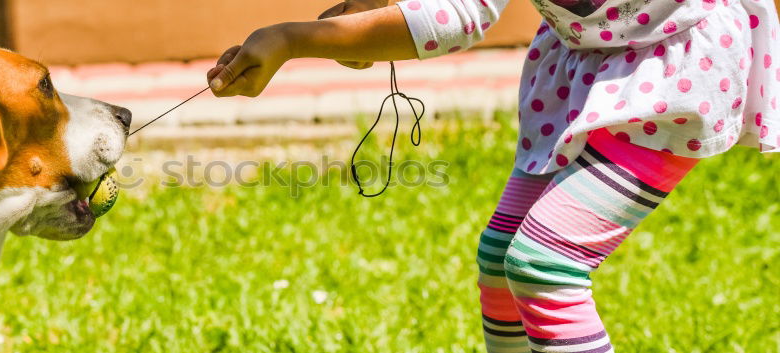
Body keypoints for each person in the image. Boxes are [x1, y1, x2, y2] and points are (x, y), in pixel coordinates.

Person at [206, 0, 779, 351]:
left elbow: (456, 15)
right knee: (500, 260)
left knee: (545, 265)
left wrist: (293, 40)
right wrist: (362, 14)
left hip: (676, 65)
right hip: (587, 64)